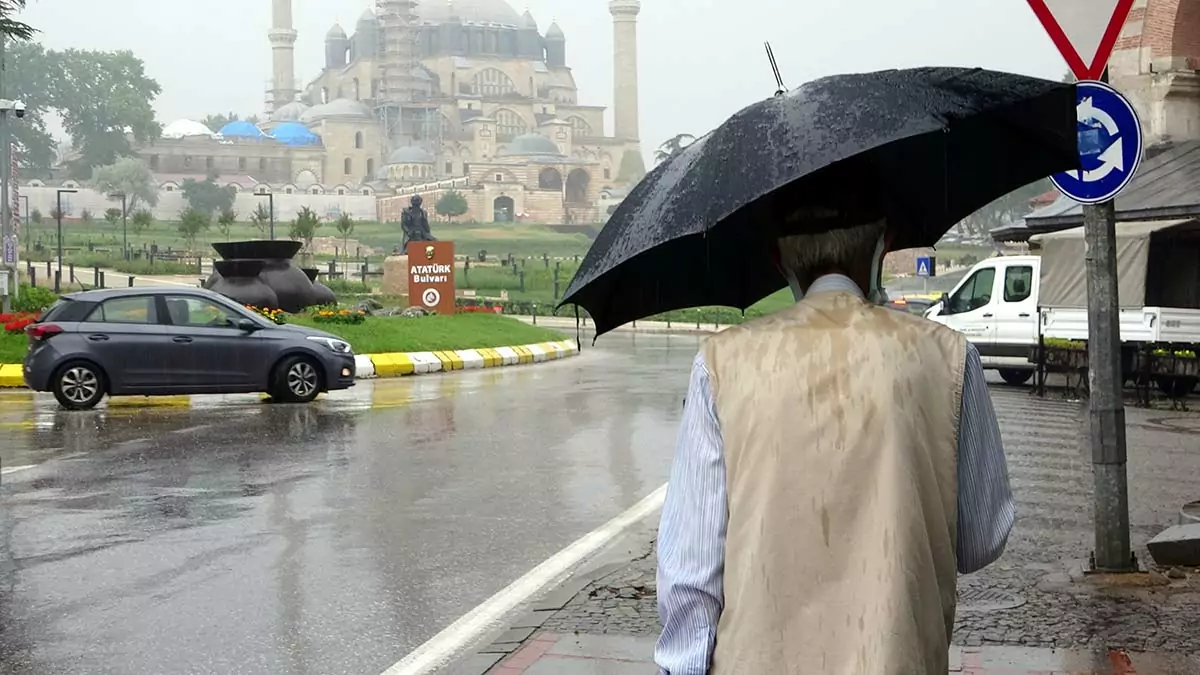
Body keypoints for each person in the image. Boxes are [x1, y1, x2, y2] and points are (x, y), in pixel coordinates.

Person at [654, 219, 1013, 675]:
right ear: (883, 247)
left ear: (777, 259)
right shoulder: (948, 357)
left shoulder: (722, 364)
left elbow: (690, 574)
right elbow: (982, 538)